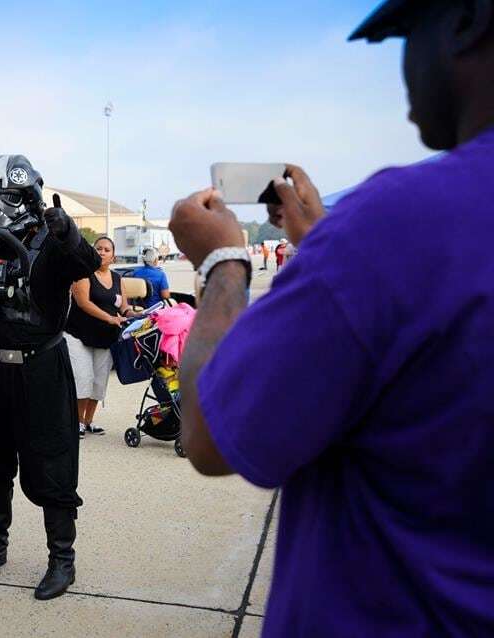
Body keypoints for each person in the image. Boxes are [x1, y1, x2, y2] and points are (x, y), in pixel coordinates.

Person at [168, 1, 494, 635]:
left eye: (405, 32)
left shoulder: (399, 221)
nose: (401, 64)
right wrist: (325, 243)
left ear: (465, 20)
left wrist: (224, 262)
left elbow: (210, 434)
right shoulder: (392, 236)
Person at [0, 155, 100, 600]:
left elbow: (85, 264)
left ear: (29, 196)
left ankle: (61, 558)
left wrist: (67, 231)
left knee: (52, 460)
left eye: (7, 196)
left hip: (42, 368)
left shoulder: (53, 242)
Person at [66, 236, 132, 437]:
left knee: (99, 382)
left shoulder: (118, 278)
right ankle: (76, 423)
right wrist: (110, 318)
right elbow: (83, 302)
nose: (102, 252)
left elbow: (124, 306)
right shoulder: (83, 273)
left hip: (105, 338)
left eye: (106, 250)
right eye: (98, 249)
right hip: (78, 334)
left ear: (113, 257)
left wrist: (134, 314)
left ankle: (88, 421)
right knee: (83, 378)